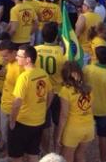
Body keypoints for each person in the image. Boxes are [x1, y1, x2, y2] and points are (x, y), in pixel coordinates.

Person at [9, 44, 53, 162]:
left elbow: (17, 103)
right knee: (33, 153)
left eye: (19, 56)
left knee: (16, 156)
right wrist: (44, 109)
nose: (16, 57)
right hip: (38, 122)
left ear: (27, 60)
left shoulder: (24, 77)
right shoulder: (43, 73)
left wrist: (12, 121)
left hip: (23, 122)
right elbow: (51, 93)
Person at [83, 46, 106, 162]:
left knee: (84, 135)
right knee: (103, 135)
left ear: (97, 58)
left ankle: (81, 157)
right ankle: (103, 159)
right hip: (104, 109)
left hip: (87, 107)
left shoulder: (87, 69)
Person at [35, 22, 66, 154]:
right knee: (59, 124)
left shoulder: (35, 50)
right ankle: (56, 151)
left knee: (45, 125)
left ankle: (46, 152)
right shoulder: (62, 53)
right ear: (56, 37)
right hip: (58, 92)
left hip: (41, 92)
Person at [57, 61, 94, 162]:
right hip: (89, 127)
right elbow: (91, 109)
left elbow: (64, 115)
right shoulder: (88, 88)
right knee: (80, 155)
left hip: (73, 129)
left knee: (68, 157)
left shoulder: (65, 90)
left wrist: (59, 135)